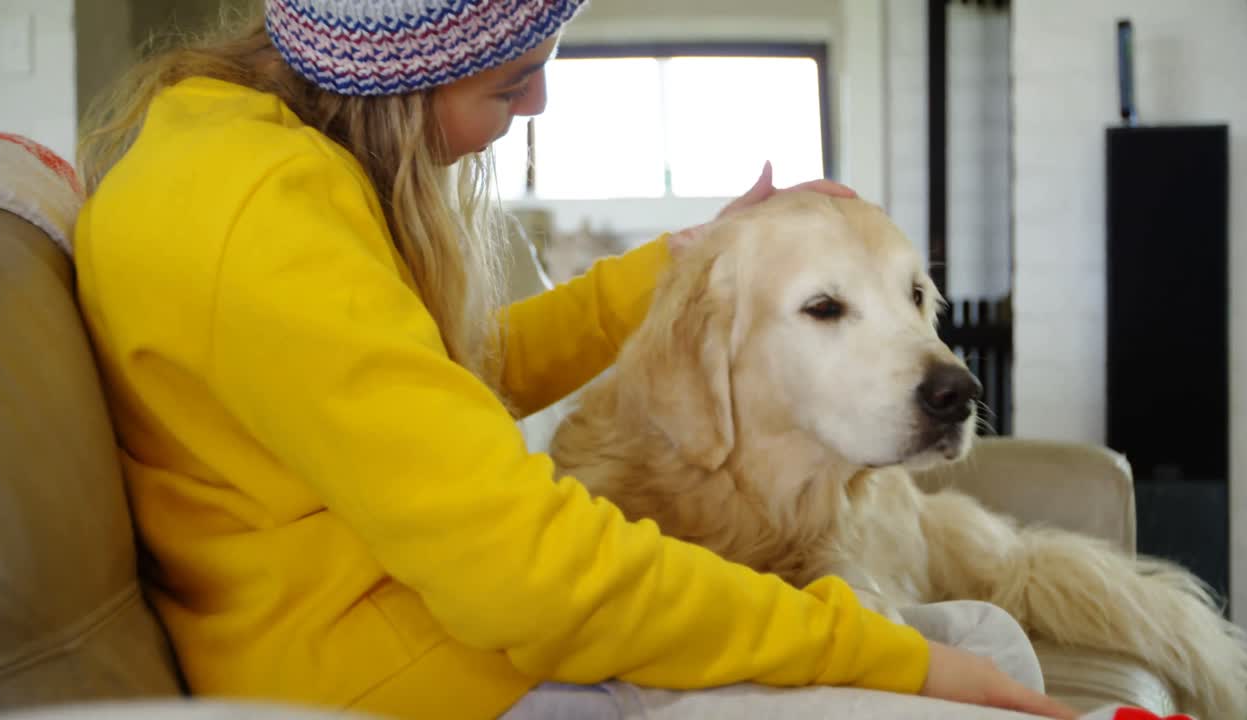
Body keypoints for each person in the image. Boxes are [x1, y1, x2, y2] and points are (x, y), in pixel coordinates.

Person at [74, 1, 1077, 719]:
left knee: (980, 641)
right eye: (512, 81)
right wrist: (874, 657)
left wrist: (686, 265)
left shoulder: (230, 159)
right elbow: (527, 573)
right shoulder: (261, 219)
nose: (540, 102)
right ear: (398, 74)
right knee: (959, 674)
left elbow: (432, 381)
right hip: (401, 680)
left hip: (419, 632)